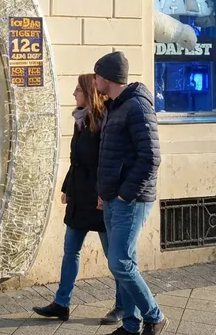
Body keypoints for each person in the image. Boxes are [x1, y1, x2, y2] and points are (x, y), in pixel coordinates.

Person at [33, 74, 123, 325]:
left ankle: (122, 306)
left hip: (98, 197)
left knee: (114, 256)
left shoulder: (105, 119)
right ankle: (62, 304)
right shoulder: (80, 121)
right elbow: (76, 159)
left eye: (77, 90)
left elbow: (108, 161)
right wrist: (67, 187)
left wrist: (104, 194)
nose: (74, 94)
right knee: (70, 250)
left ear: (88, 92)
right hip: (79, 195)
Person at [94, 51, 166, 335]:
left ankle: (155, 316)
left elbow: (150, 157)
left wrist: (125, 194)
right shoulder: (115, 105)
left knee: (120, 262)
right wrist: (105, 192)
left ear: (108, 78)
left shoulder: (136, 106)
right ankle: (131, 326)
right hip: (114, 198)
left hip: (131, 200)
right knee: (125, 262)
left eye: (97, 75)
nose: (95, 80)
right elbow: (111, 155)